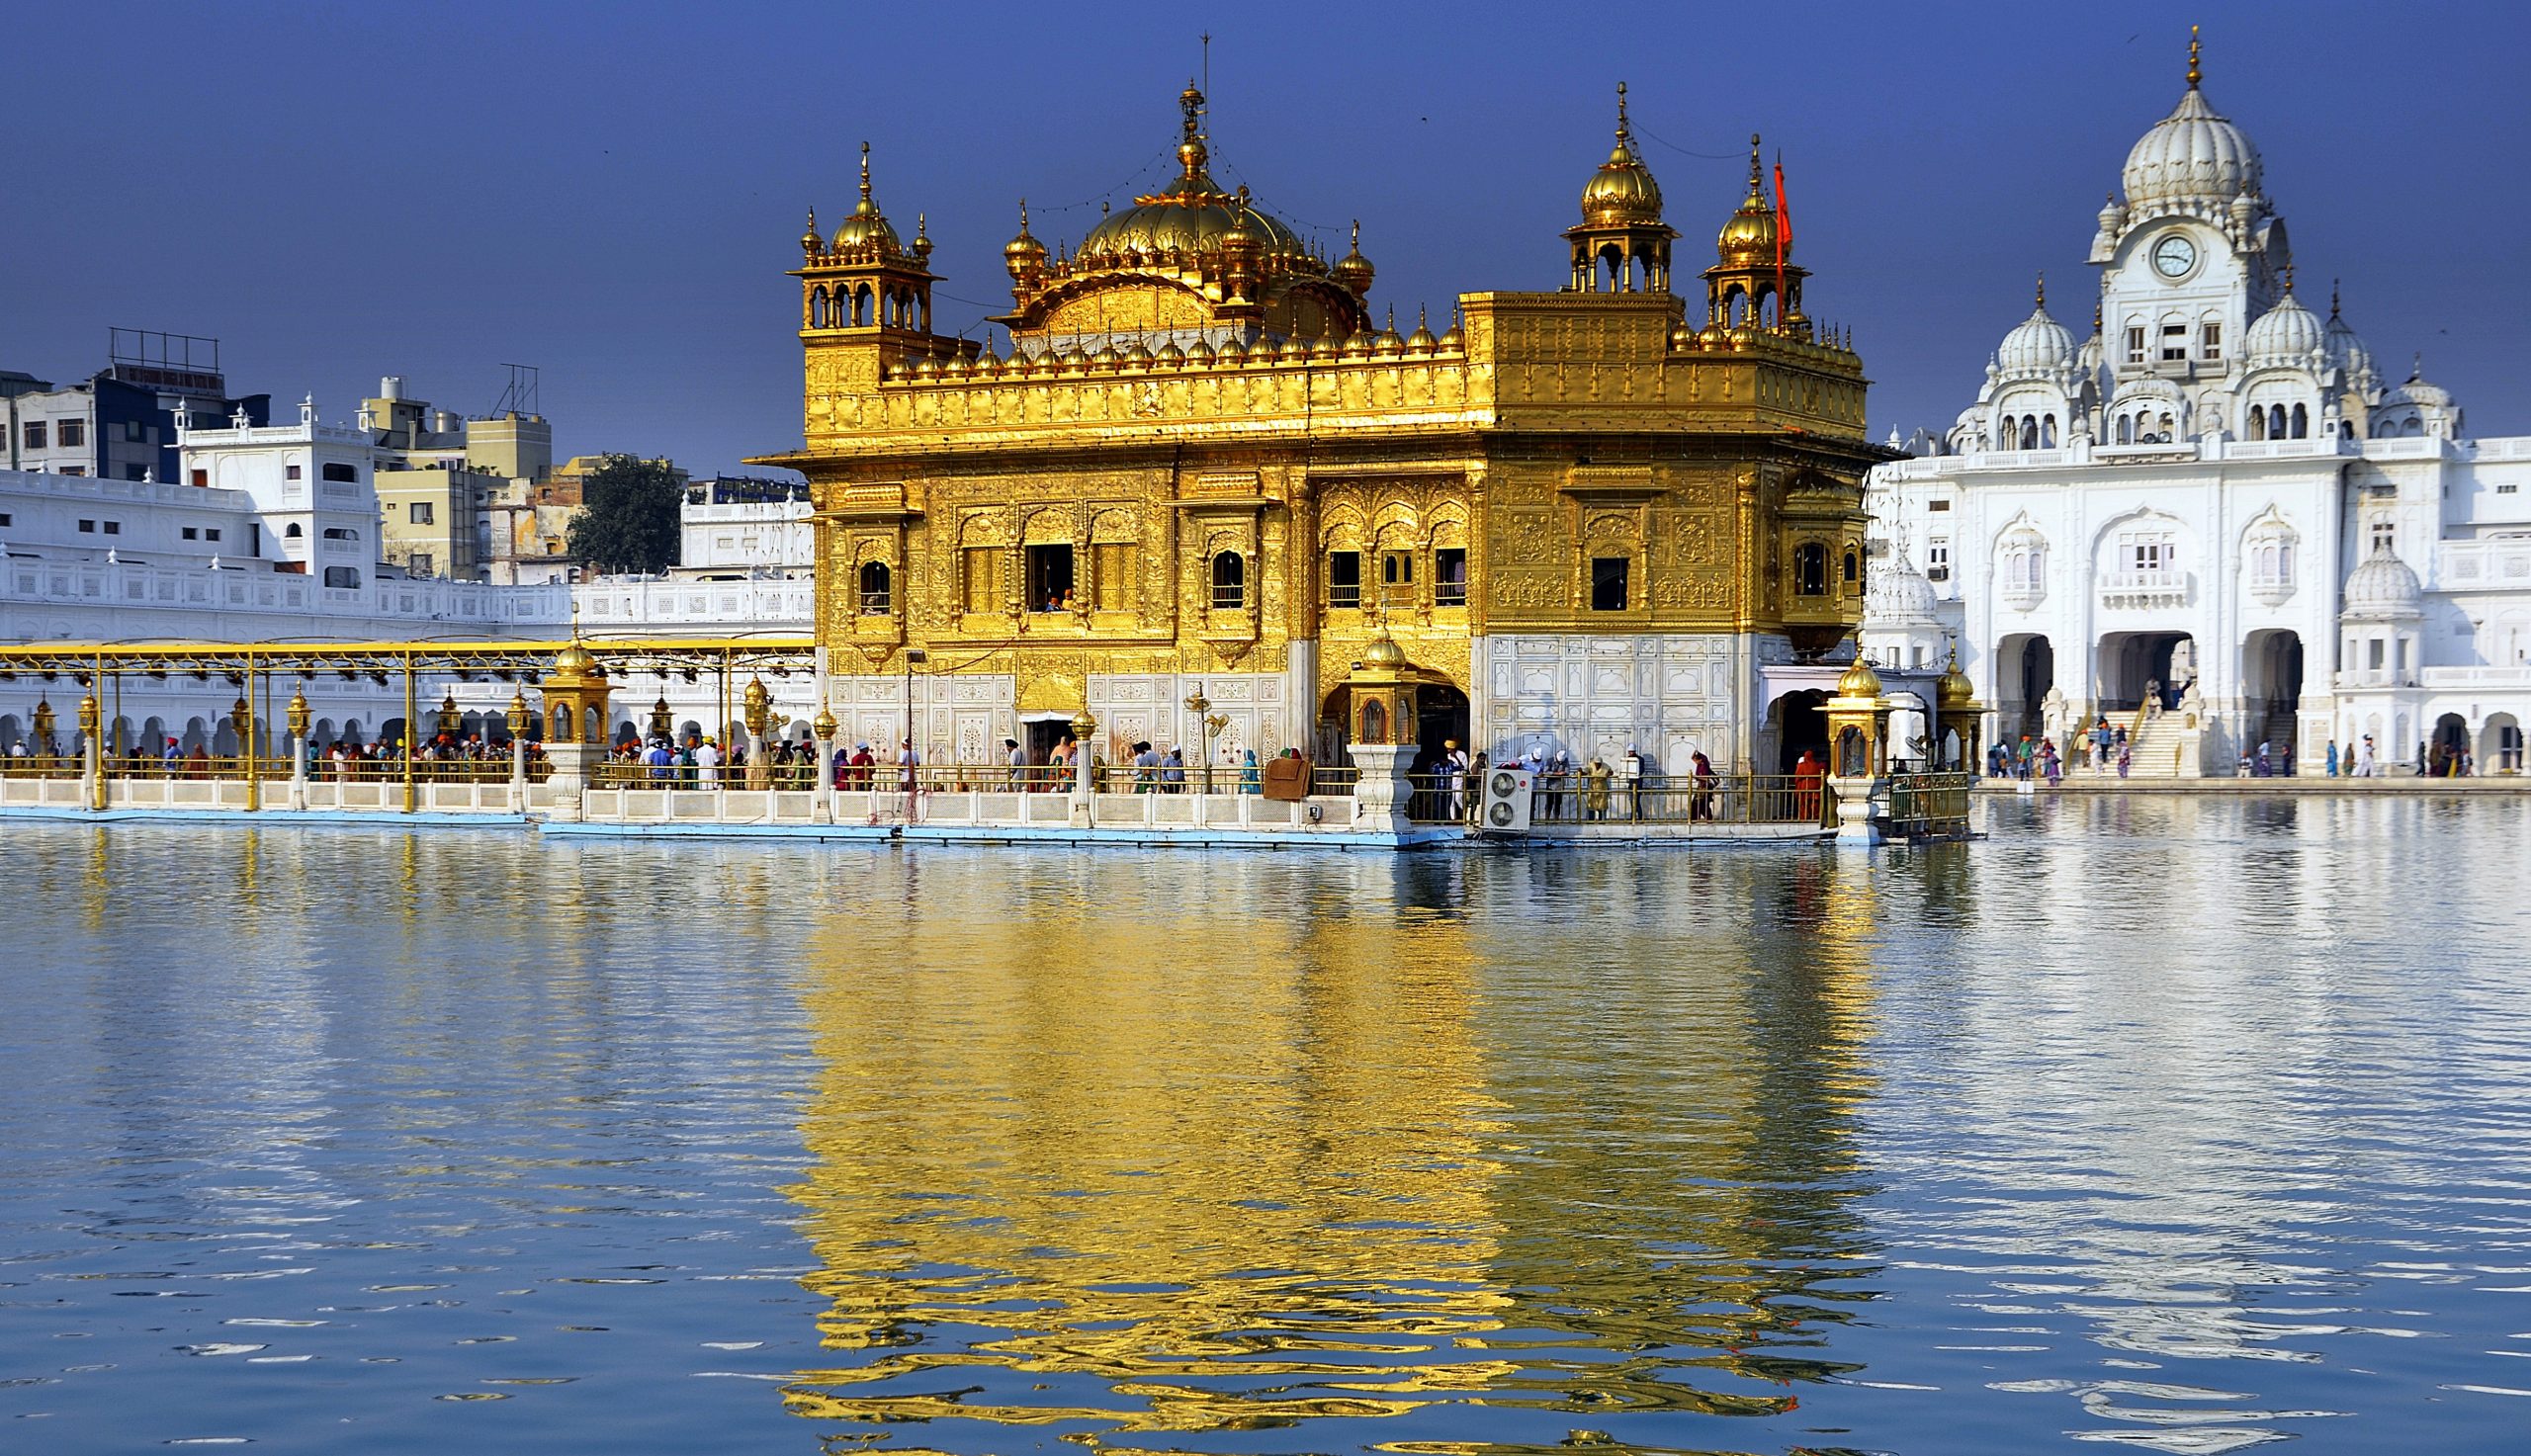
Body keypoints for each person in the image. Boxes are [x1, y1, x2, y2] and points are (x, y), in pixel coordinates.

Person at [1793, 747, 1825, 821]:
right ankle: (1814, 818)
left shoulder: (1802, 765)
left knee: (1804, 804)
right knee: (1814, 804)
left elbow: (1797, 776)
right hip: (1815, 787)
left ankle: (1804, 818)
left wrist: (1797, 784)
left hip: (1805, 787)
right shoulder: (1815, 765)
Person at [1690, 749, 1717, 821]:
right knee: (1697, 804)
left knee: (1703, 804)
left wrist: (1696, 777)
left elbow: (1707, 778)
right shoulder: (1699, 766)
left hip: (1706, 787)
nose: (1695, 762)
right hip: (1701, 787)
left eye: (1696, 760)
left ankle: (1708, 819)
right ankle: (1694, 819)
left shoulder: (1704, 766)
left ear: (1700, 759)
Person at [1620, 745, 1643, 820]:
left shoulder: (1640, 759)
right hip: (1631, 783)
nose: (1631, 753)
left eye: (1632, 752)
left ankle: (1638, 817)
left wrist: (1635, 773)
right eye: (1630, 752)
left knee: (1636, 801)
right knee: (1631, 801)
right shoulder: (1627, 760)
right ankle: (1633, 817)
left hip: (1638, 783)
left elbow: (1641, 770)